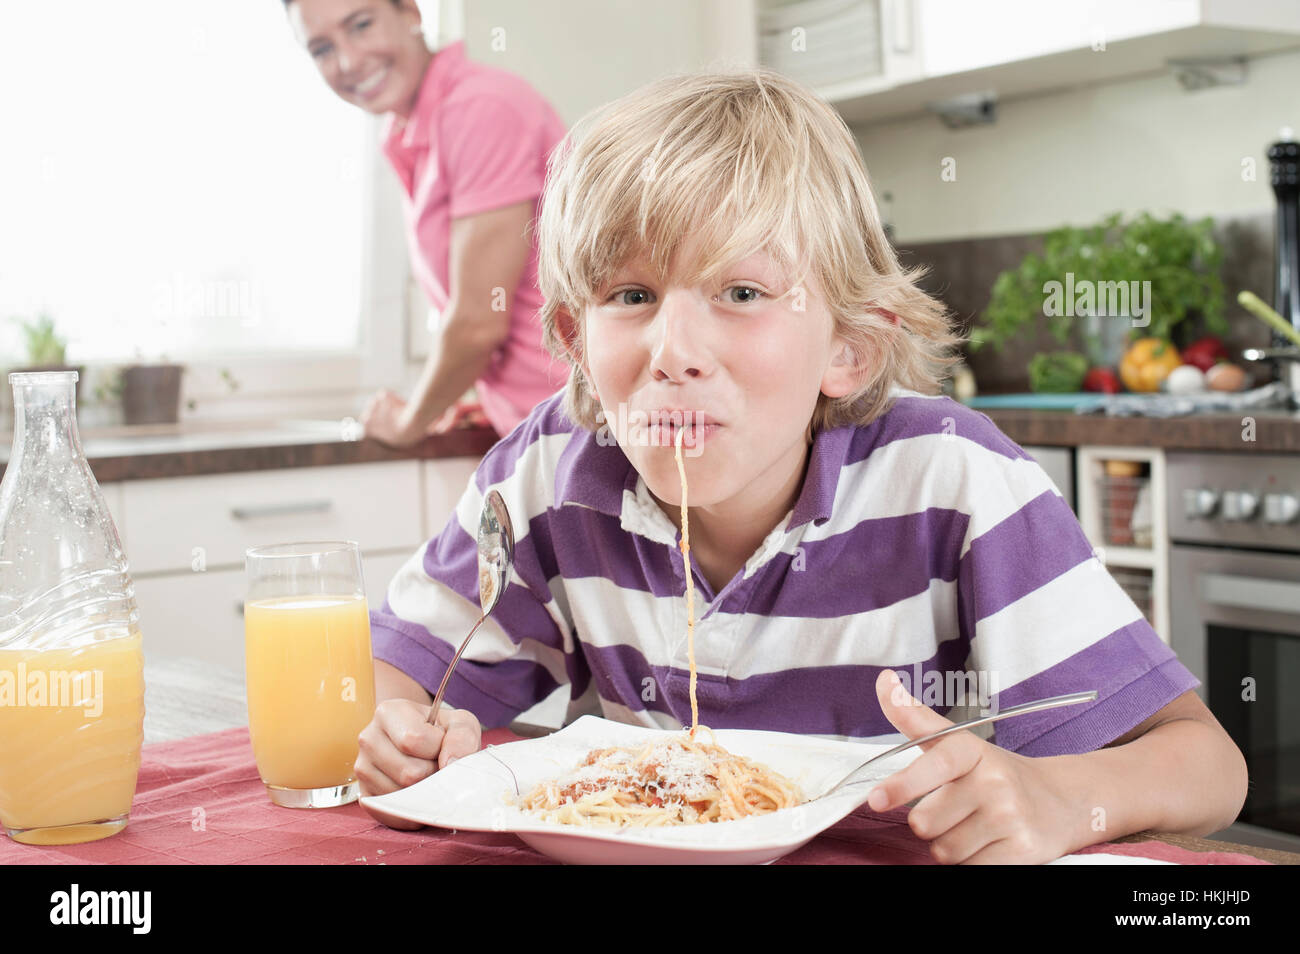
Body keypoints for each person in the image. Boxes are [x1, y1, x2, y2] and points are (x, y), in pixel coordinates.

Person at [355, 68, 1248, 862]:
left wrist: (1059, 799)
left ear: (849, 351)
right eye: (630, 296)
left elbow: (1206, 764)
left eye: (740, 293)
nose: (674, 350)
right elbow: (398, 681)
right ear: (576, 342)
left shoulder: (952, 484)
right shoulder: (551, 473)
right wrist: (401, 733)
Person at [285, 0, 567, 443]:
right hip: (540, 424)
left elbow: (478, 322)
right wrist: (489, 399)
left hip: (582, 426)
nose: (348, 61)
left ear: (411, 12)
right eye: (321, 48)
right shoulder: (408, 132)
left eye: (361, 24)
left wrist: (407, 422)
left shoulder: (480, 108)